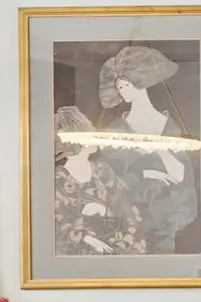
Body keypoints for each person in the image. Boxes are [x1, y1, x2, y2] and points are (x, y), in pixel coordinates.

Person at [98, 44, 199, 253]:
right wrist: (146, 172)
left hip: (165, 221)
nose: (122, 91)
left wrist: (159, 149)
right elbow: (109, 177)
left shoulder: (168, 125)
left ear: (140, 82)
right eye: (119, 87)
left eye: (126, 85)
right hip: (129, 223)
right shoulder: (116, 129)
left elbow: (181, 176)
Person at [53, 105, 143, 255]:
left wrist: (105, 210)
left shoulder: (103, 171)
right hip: (79, 255)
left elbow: (127, 210)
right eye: (89, 132)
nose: (94, 135)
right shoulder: (58, 180)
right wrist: (87, 239)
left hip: (117, 246)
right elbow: (56, 224)